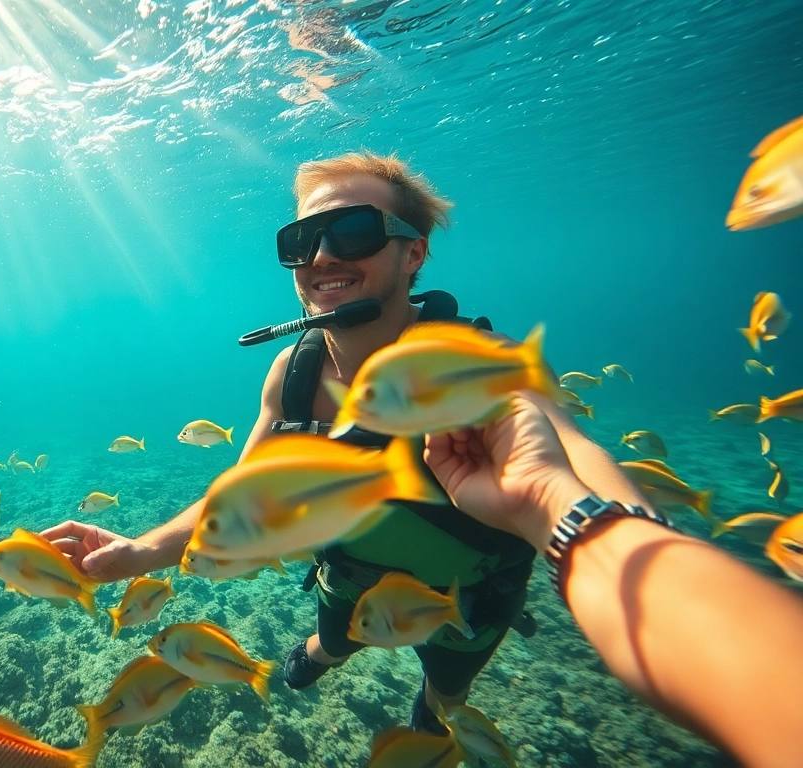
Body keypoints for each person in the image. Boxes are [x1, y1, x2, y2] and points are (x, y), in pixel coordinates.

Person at [42, 151, 647, 733]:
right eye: (300, 241)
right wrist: (139, 552)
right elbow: (244, 493)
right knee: (333, 640)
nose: (323, 256)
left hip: (470, 596)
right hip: (349, 580)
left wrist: (635, 549)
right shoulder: (292, 374)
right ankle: (327, 653)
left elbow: (575, 454)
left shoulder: (482, 362)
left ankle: (433, 708)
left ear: (415, 252)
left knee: (449, 689)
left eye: (355, 231)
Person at [424, 392, 803, 768]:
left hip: (471, 615)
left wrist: (543, 496)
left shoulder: (499, 379)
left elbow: (569, 449)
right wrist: (547, 500)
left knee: (446, 698)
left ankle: (433, 732)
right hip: (434, 605)